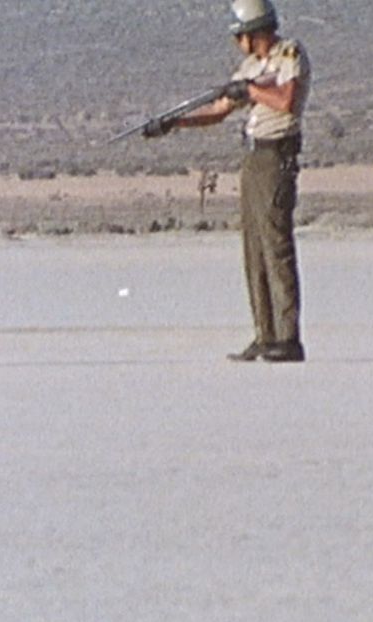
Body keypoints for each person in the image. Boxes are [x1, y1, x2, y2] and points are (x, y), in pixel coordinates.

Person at [145, 0, 310, 363]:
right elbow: (218, 110)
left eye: (241, 36)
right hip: (253, 158)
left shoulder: (289, 54)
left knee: (276, 246)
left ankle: (288, 338)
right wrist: (174, 123)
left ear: (255, 32)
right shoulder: (249, 68)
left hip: (276, 156)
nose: (238, 43)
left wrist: (249, 92)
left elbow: (287, 101)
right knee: (254, 249)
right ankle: (264, 335)